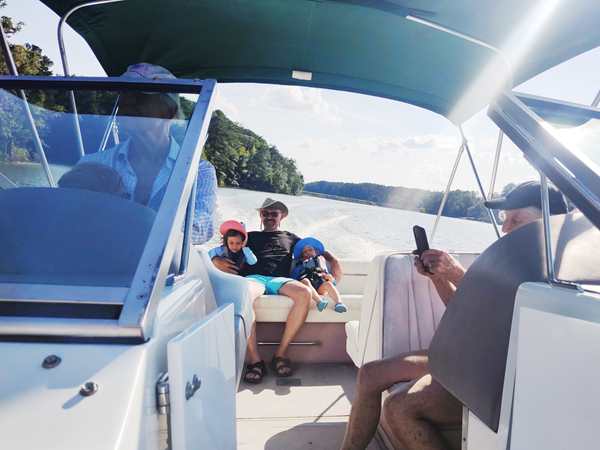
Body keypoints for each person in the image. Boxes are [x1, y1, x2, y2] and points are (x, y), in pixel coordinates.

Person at [340, 180, 568, 450]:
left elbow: (515, 310)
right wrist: (439, 278)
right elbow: (466, 313)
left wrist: (457, 273)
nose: (505, 228)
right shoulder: (506, 259)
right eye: (504, 219)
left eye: (516, 220)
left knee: (398, 408)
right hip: (468, 357)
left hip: (497, 374)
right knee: (370, 373)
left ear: (551, 223)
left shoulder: (558, 273)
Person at [73, 62, 217, 244]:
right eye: (124, 95)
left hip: (159, 263)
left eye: (140, 97)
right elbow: (71, 217)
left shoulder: (198, 171)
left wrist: (136, 221)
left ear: (169, 111)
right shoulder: (92, 163)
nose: (127, 103)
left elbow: (201, 228)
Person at [211, 197, 342, 382]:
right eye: (265, 213)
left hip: (281, 280)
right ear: (260, 215)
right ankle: (255, 361)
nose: (269, 216)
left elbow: (321, 253)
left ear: (282, 216)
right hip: (254, 278)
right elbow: (223, 250)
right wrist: (215, 261)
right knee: (243, 293)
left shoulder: (293, 239)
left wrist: (333, 268)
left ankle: (280, 355)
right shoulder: (249, 237)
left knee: (304, 293)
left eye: (274, 213)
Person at [291, 237, 348, 313]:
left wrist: (329, 278)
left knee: (328, 284)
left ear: (315, 252)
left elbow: (326, 275)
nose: (308, 252)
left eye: (310, 250)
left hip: (319, 287)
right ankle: (319, 302)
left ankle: (339, 303)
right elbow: (294, 277)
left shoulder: (320, 261)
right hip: (307, 289)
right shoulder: (299, 264)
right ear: (302, 255)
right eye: (305, 252)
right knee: (305, 281)